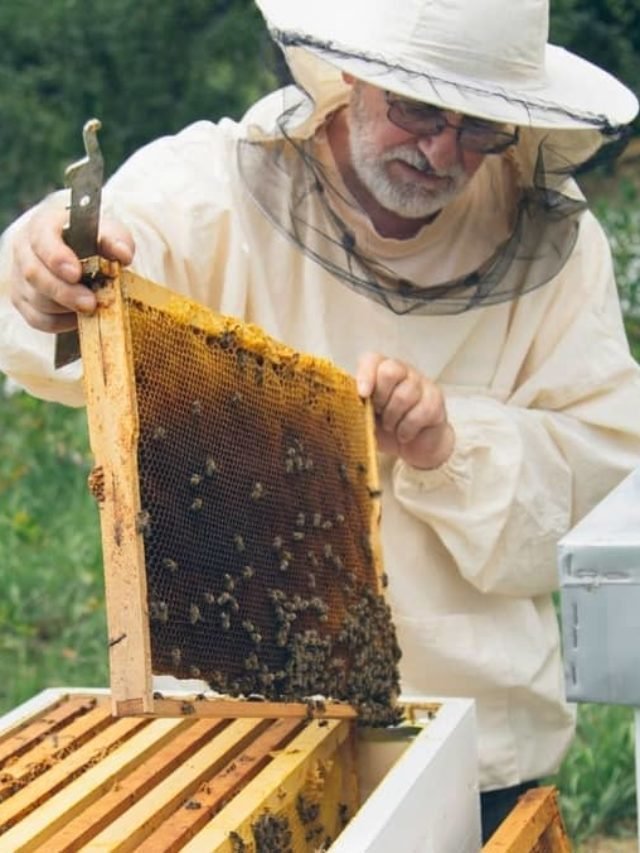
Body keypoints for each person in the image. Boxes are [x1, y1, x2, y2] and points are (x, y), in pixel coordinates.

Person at [1, 0, 639, 841]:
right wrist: (41, 269)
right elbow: (74, 304)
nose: (442, 150)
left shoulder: (558, 244)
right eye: (417, 108)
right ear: (353, 73)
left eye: (480, 124)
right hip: (230, 745)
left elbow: (604, 484)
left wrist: (452, 444)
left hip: (479, 743)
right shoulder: (207, 188)